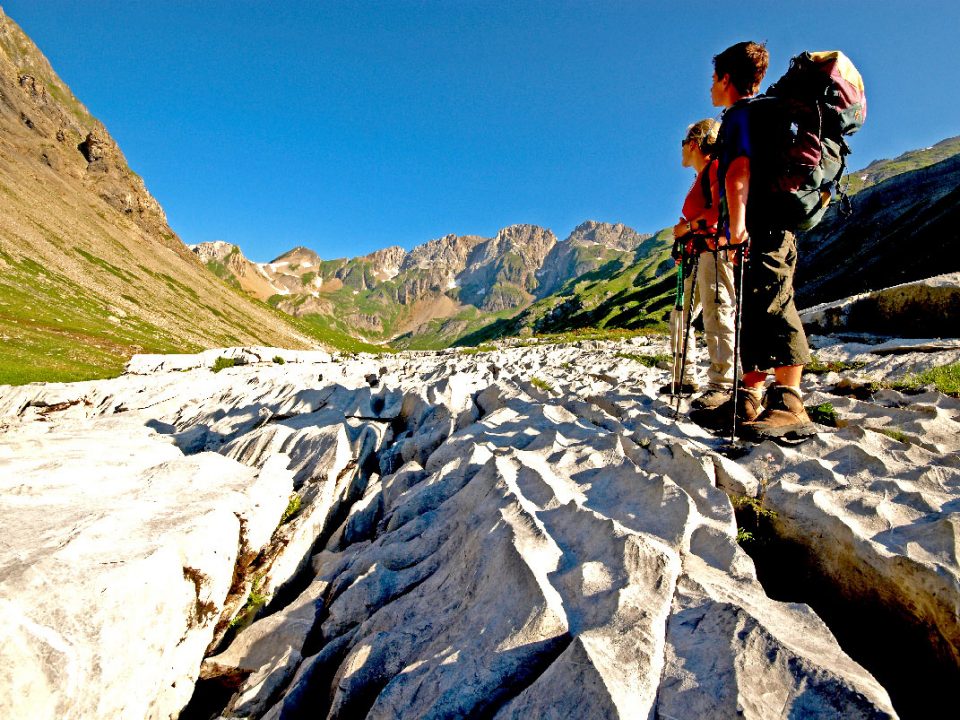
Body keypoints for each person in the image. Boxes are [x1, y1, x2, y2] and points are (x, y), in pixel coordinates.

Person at [690, 41, 816, 439]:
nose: (710, 86)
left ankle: (791, 401)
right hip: (764, 225)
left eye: (714, 78)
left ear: (727, 79)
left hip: (764, 226)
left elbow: (737, 170)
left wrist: (737, 223)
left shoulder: (740, 116)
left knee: (776, 304)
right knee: (753, 309)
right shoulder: (758, 115)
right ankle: (750, 397)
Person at [660, 119, 736, 409]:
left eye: (683, 144)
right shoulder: (701, 176)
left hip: (714, 252)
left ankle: (723, 384)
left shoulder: (715, 169)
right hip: (698, 254)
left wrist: (687, 228)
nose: (681, 150)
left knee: (716, 314)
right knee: (681, 317)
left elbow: (719, 210)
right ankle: (685, 376)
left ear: (695, 144)